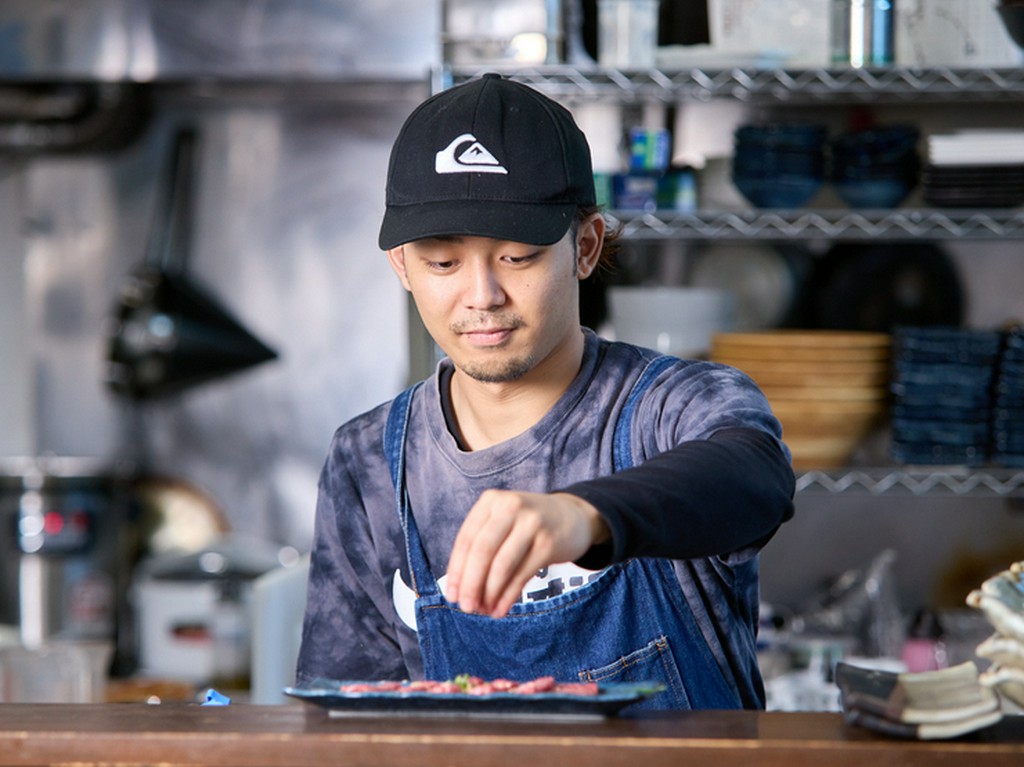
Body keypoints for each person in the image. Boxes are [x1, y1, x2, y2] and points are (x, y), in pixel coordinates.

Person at [296, 73, 795, 710]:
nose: (482, 296)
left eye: (518, 257)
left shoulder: (670, 407)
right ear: (401, 266)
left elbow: (754, 475)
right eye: (443, 263)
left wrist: (583, 516)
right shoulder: (368, 462)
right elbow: (347, 717)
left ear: (584, 247)